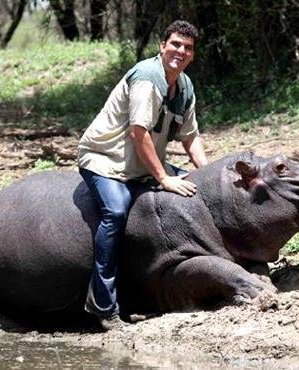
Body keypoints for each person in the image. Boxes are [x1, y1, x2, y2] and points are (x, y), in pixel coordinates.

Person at [77, 20, 208, 331]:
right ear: (162, 46)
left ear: (192, 55)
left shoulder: (184, 87)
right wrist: (163, 178)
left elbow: (191, 137)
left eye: (187, 48)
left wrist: (207, 173)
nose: (181, 51)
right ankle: (102, 304)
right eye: (175, 44)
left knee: (196, 188)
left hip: (142, 165)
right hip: (105, 161)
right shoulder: (148, 79)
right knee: (117, 210)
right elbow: (139, 133)